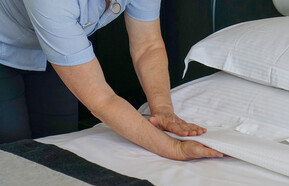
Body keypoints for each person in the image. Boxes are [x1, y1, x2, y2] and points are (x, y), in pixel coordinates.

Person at [0, 0, 223, 160]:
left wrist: (163, 110)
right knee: (12, 147)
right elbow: (100, 100)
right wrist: (173, 148)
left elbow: (148, 46)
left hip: (48, 53)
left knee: (58, 145)